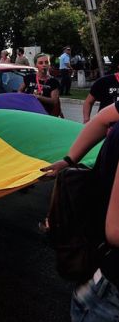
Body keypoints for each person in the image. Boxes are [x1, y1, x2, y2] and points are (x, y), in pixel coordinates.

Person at [41, 102, 119, 321]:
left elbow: (103, 117)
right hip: (110, 296)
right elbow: (115, 229)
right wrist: (68, 160)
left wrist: (69, 159)